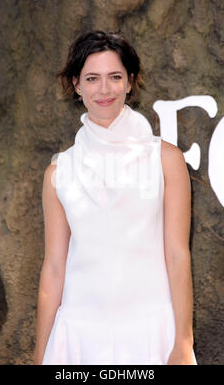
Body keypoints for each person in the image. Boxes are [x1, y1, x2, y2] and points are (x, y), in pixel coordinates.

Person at [34, 30, 197, 365]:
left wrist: (182, 341)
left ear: (130, 82)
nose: (104, 89)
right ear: (77, 86)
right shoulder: (58, 173)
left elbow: (178, 255)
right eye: (92, 78)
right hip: (78, 337)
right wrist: (40, 354)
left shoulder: (165, 159)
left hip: (152, 331)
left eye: (115, 77)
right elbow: (53, 268)